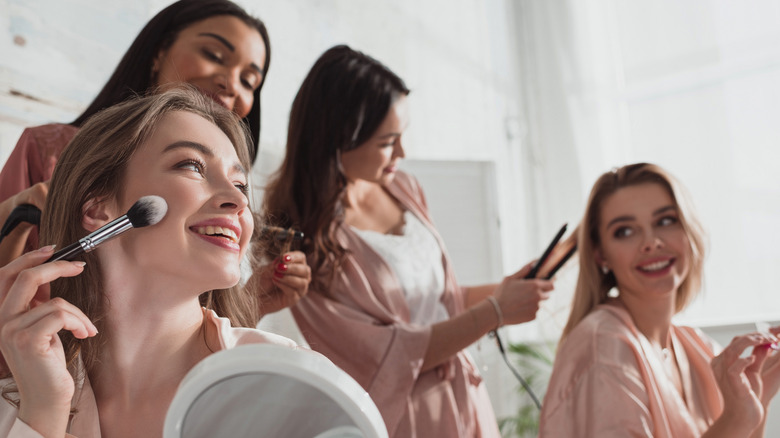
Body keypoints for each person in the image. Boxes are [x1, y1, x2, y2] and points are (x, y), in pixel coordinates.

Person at [262, 44, 554, 438]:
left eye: (401, 136)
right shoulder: (303, 238)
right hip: (408, 420)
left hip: (464, 399)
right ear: (337, 137)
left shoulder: (404, 188)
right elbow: (389, 354)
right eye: (386, 142)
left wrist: (509, 291)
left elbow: (435, 301)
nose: (402, 152)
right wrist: (496, 312)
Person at [0, 87, 304, 437]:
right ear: (98, 209)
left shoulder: (291, 382)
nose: (238, 199)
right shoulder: (22, 403)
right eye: (192, 165)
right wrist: (44, 412)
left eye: (240, 183)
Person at [0, 0, 307, 315]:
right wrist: (8, 221)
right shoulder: (48, 150)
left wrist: (251, 302)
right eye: (214, 55)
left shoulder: (224, 210)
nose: (230, 83)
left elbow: (183, 339)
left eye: (249, 81)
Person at [539, 163, 780, 437]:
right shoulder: (604, 347)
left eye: (665, 221)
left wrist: (760, 397)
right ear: (601, 255)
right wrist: (736, 419)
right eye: (625, 231)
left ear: (689, 232)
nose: (651, 242)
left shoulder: (696, 346)